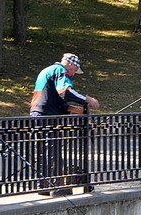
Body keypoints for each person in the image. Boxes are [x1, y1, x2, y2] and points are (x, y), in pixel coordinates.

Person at [30, 53, 100, 196]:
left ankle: (43, 185)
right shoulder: (60, 71)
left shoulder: (48, 70)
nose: (74, 73)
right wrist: (88, 100)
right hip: (48, 115)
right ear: (70, 64)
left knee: (42, 150)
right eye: (75, 69)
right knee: (53, 150)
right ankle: (56, 186)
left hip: (38, 112)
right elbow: (65, 92)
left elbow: (55, 97)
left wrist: (72, 108)